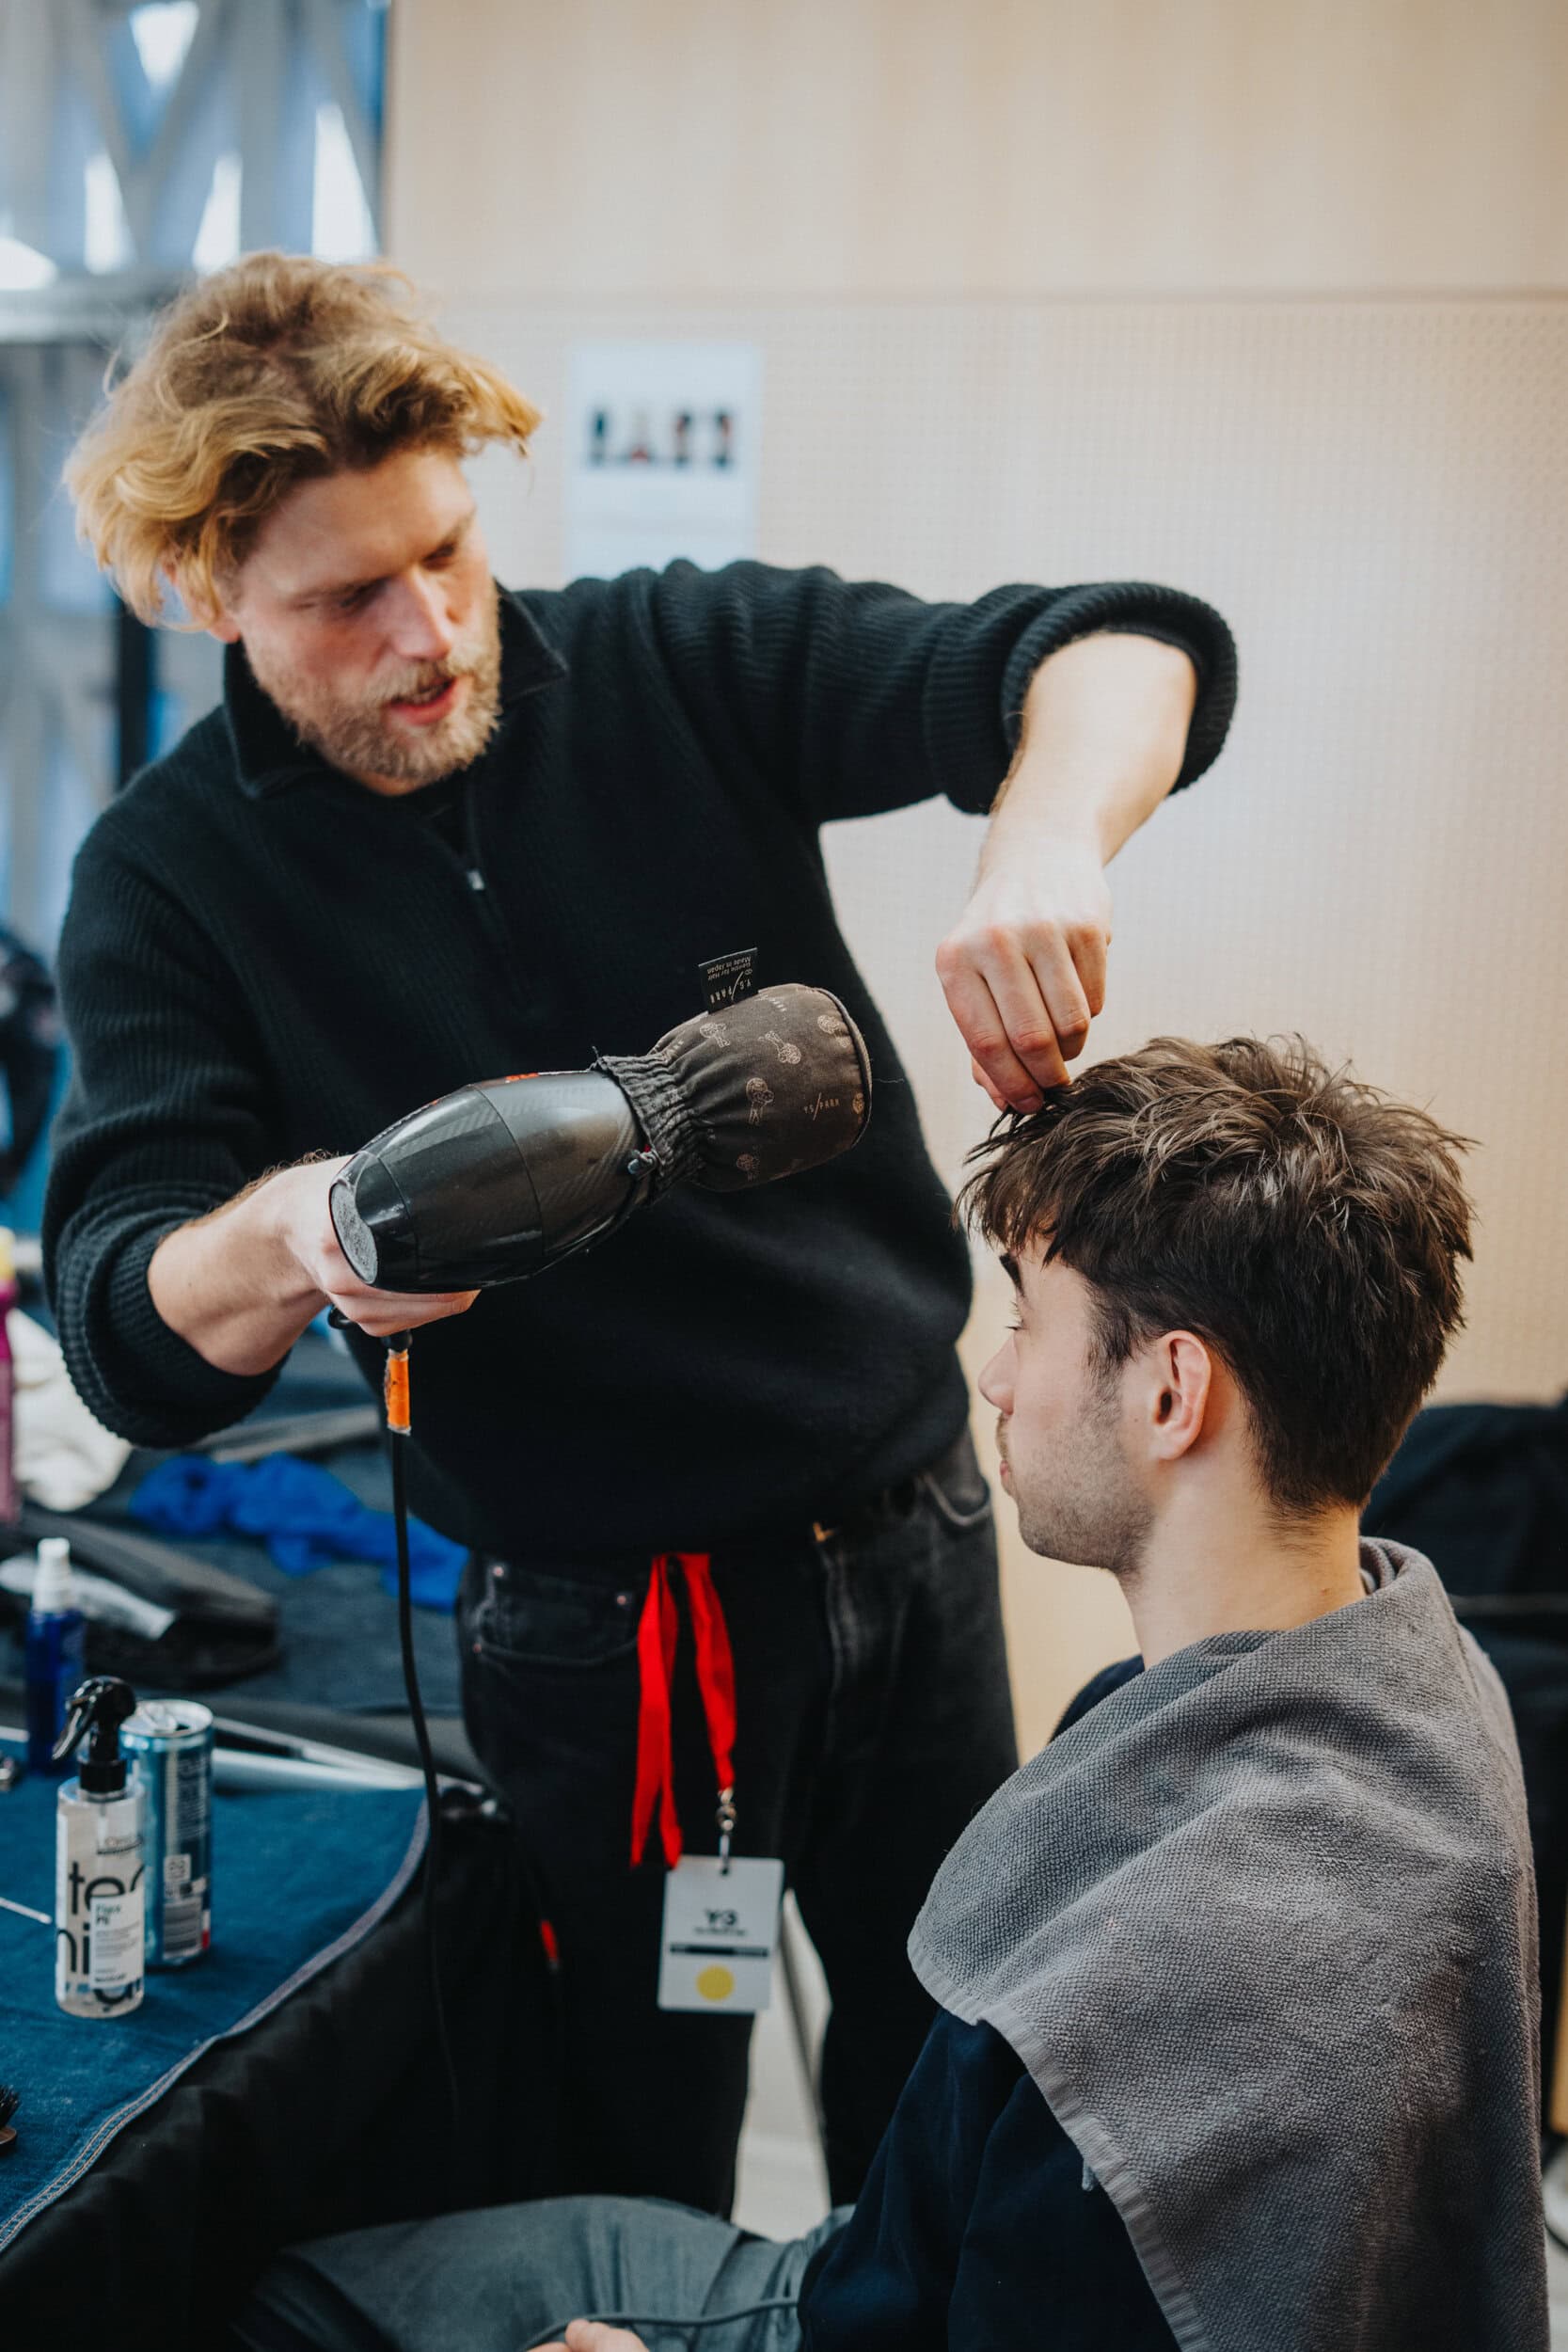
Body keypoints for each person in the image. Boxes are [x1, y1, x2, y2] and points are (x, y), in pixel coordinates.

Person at [47, 251, 1236, 2213]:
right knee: (631, 2149)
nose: (434, 630)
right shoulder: (170, 877)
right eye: (350, 596)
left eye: (448, 550)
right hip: (610, 1641)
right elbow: (123, 1320)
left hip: (912, 1538)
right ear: (204, 593)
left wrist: (1041, 834)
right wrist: (306, 1230)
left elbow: (1124, 646)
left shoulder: (677, 657)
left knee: (957, 2074)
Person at [230, 1036, 1547, 2352]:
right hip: (888, 2272)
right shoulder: (1431, 1676)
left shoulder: (1139, 2009)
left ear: (1169, 1391)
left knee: (280, 2297)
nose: (994, 1372)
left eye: (1028, 1313)